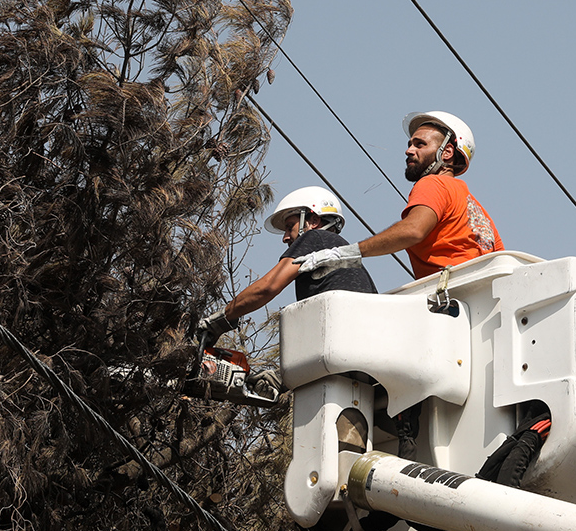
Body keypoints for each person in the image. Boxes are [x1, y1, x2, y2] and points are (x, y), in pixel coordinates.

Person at [195, 186, 377, 398]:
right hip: (361, 362)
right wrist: (287, 379)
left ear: (314, 221)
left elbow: (268, 286)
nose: (285, 237)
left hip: (343, 351)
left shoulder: (316, 239)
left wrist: (220, 319)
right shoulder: (344, 259)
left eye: (290, 226)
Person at [294, 111, 503, 280]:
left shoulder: (433, 183)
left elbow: (413, 230)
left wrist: (346, 253)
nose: (409, 150)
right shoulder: (475, 208)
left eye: (420, 144)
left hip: (454, 296)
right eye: (410, 144)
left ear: (447, 152)